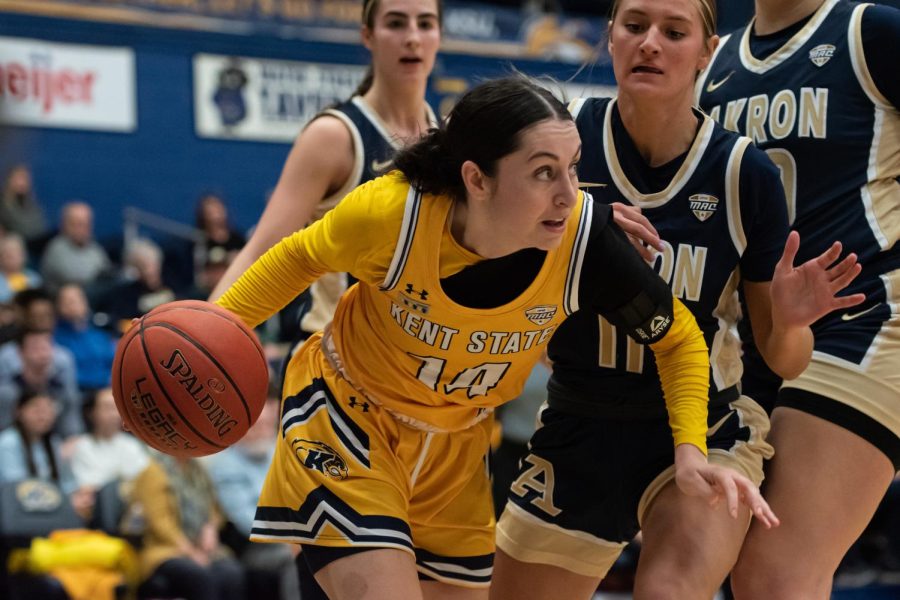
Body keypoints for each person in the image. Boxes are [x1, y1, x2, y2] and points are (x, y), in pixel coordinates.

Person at [214, 75, 774, 599]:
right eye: (543, 172)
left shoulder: (584, 240)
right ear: (477, 179)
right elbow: (298, 257)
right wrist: (213, 335)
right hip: (349, 419)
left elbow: (676, 338)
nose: (568, 193)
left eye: (573, 168)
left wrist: (689, 451)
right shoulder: (393, 213)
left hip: (454, 444)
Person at [489, 2, 864, 598]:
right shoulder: (559, 147)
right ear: (610, 37)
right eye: (634, 27)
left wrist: (791, 323)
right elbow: (489, 270)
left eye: (673, 32)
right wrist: (575, 232)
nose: (651, 45)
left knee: (667, 590)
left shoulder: (746, 174)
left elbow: (784, 359)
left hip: (706, 426)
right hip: (580, 418)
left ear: (707, 52)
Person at [695, 0, 900, 597]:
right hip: (753, 336)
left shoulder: (872, 32)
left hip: (863, 318)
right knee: (734, 572)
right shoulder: (714, 62)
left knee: (776, 572)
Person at [210, 0, 442, 344]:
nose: (413, 38)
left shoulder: (447, 140)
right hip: (331, 370)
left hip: (415, 371)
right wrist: (201, 331)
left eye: (425, 24)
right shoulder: (335, 136)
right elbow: (262, 250)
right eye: (395, 23)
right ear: (368, 36)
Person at [205, 396, 299, 600]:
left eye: (266, 426)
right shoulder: (226, 465)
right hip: (256, 549)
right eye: (256, 427)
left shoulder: (279, 452)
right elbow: (248, 522)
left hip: (295, 535)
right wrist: (293, 535)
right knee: (296, 557)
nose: (263, 433)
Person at [69, 387, 149, 490]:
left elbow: (142, 478)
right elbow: (87, 485)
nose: (113, 414)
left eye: (116, 408)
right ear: (92, 413)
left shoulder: (132, 445)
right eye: (107, 408)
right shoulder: (82, 446)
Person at [40, 201, 112, 295]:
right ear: (64, 225)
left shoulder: (94, 247)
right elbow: (74, 278)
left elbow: (107, 270)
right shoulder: (56, 248)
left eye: (87, 224)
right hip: (63, 303)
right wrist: (100, 277)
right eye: (78, 224)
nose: (83, 229)